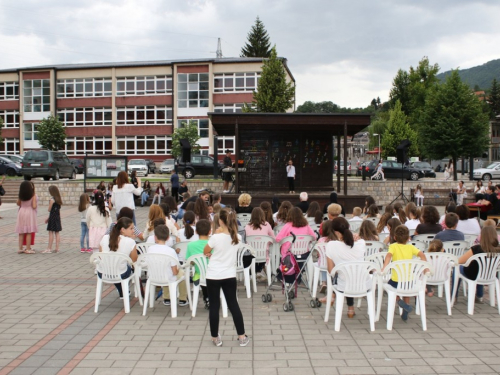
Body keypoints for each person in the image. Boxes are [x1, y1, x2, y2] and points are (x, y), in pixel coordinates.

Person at [203, 210, 249, 347]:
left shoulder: (215, 238)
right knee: (233, 304)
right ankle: (241, 336)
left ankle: (215, 337)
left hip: (213, 275)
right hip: (229, 274)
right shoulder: (237, 237)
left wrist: (211, 254)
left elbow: (205, 251)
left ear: (220, 221)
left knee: (214, 306)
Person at [382, 225, 427, 321]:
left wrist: (384, 267)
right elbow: (422, 254)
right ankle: (406, 307)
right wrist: (425, 267)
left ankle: (398, 300)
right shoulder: (411, 247)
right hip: (409, 281)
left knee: (389, 287)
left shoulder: (393, 246)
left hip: (396, 281)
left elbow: (388, 256)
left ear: (394, 237)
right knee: (407, 292)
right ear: (408, 238)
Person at [325, 217, 367, 317]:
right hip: (364, 283)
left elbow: (331, 271)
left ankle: (331, 297)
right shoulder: (361, 243)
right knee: (348, 274)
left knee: (342, 276)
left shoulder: (331, 245)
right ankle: (350, 309)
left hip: (344, 284)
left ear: (336, 232)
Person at [454, 226, 500, 303]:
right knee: (482, 268)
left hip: (473, 274)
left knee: (457, 268)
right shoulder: (498, 250)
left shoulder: (476, 248)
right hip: (491, 274)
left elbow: (460, 261)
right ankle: (479, 295)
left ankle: (454, 295)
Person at [147, 225, 188, 307]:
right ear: (168, 238)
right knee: (180, 273)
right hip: (167, 277)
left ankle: (167, 298)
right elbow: (175, 272)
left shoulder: (150, 249)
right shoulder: (171, 251)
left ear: (155, 237)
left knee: (165, 271)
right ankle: (182, 299)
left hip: (153, 276)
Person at [98, 217, 138, 298]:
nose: (133, 231)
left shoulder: (105, 238)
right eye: (131, 228)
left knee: (115, 267)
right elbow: (134, 260)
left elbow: (100, 256)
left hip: (102, 272)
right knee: (124, 267)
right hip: (121, 273)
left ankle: (123, 291)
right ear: (123, 229)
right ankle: (124, 291)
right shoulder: (130, 242)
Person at [185, 219, 211, 308]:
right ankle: (213, 298)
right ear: (210, 231)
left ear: (196, 232)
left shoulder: (191, 245)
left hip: (199, 276)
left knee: (200, 274)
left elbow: (190, 262)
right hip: (214, 274)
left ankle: (207, 298)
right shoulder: (213, 244)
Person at [15, 181, 38, 254]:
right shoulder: (33, 195)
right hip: (29, 212)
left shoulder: (21, 195)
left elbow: (18, 204)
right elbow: (34, 206)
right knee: (29, 231)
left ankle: (20, 248)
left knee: (21, 231)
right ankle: (28, 248)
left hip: (21, 212)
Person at [43, 185, 63, 254]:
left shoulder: (52, 200)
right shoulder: (58, 199)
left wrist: (49, 218)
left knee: (50, 232)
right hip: (57, 217)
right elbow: (57, 210)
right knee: (57, 232)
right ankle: (57, 248)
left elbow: (49, 209)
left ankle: (49, 248)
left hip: (52, 217)